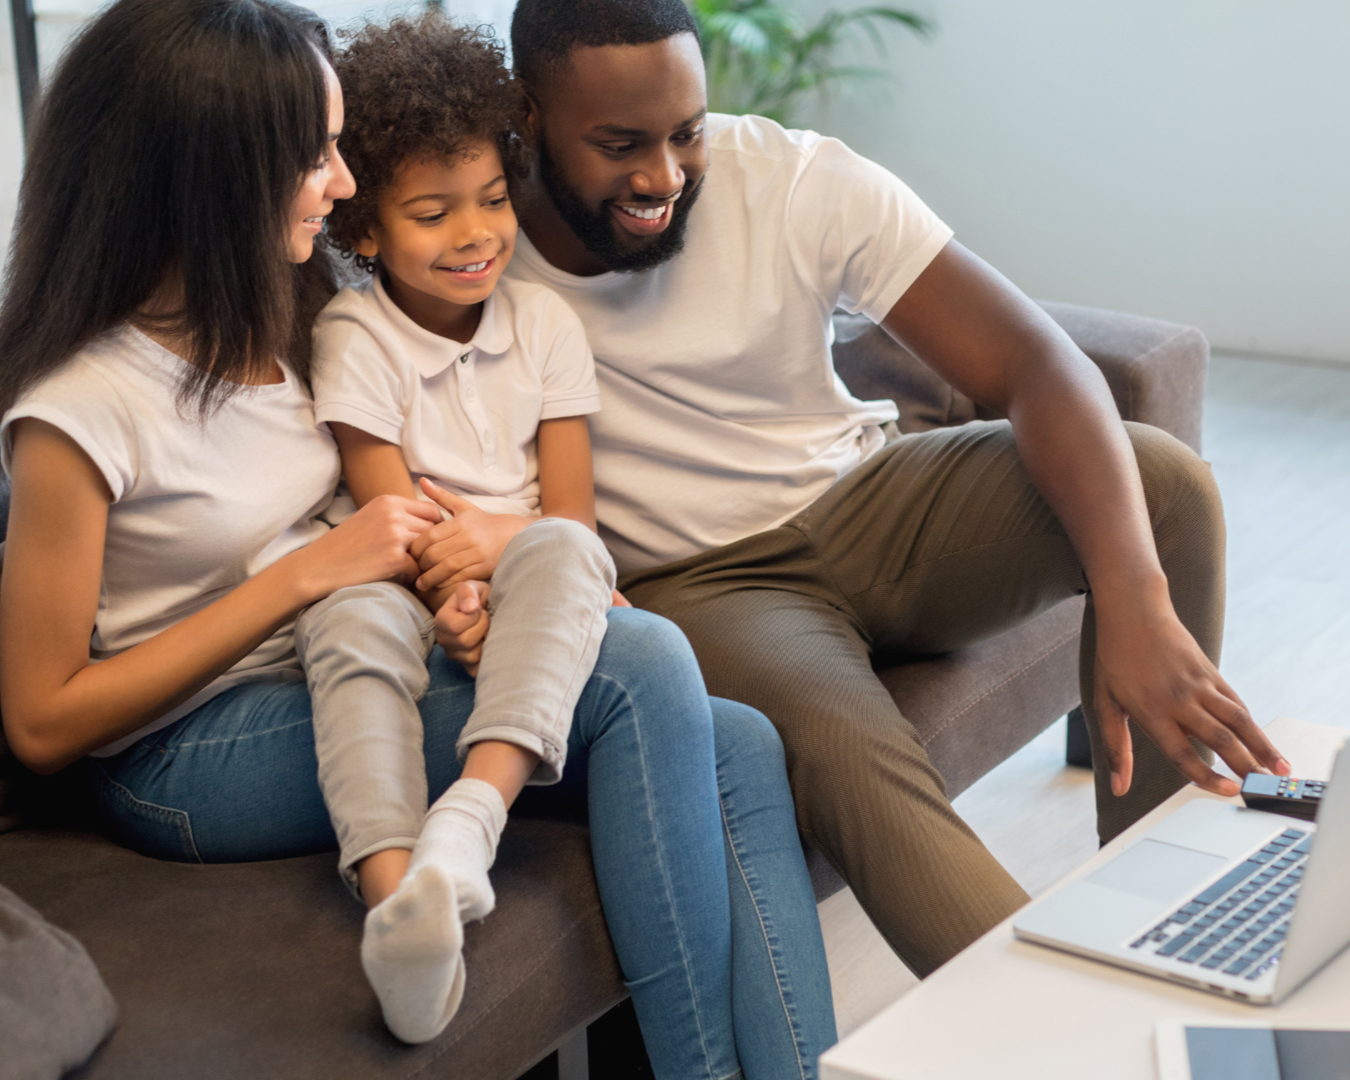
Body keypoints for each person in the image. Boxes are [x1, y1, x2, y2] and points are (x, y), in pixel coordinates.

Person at [0, 1, 838, 1072]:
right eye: (315, 157)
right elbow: (42, 720)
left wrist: (491, 576)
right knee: (643, 672)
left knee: (738, 740)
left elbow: (405, 484)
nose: (343, 181)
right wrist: (311, 574)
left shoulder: (284, 321)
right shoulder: (81, 412)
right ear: (214, 171)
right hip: (185, 750)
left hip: (341, 657)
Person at [489, 0, 1293, 978]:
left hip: (872, 503)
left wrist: (1135, 595)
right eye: (620, 144)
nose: (663, 175)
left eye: (685, 133)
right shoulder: (466, 254)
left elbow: (1036, 361)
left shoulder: (790, 179)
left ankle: (1166, 926)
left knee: (1167, 484)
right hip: (706, 586)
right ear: (527, 114)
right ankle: (1069, 1036)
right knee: (842, 745)